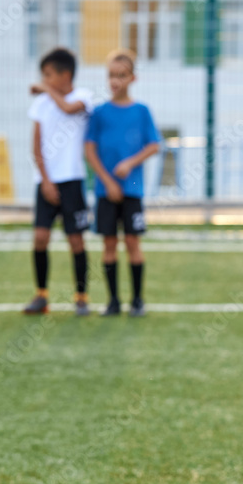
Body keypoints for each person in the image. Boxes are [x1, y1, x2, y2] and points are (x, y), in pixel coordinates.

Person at [84, 49, 160, 317]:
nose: (115, 81)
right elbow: (90, 149)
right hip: (107, 191)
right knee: (108, 245)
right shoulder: (100, 113)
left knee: (132, 242)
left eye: (121, 76)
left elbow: (154, 145)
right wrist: (107, 180)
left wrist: (130, 163)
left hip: (132, 191)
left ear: (132, 78)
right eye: (111, 76)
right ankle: (113, 301)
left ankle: (137, 300)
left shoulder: (141, 111)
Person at [22, 47, 95, 316]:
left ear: (66, 75)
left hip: (73, 181)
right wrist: (46, 181)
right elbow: (36, 148)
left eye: (49, 75)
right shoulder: (40, 105)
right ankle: (41, 295)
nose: (44, 80)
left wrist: (44, 90)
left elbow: (66, 108)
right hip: (47, 182)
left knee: (76, 240)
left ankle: (81, 297)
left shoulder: (83, 97)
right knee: (40, 238)